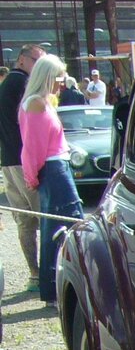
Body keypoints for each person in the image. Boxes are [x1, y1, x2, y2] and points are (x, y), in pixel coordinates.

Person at [19, 54, 83, 305]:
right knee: (65, 224)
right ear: (47, 77)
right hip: (54, 170)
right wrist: (31, 176)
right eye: (58, 78)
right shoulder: (35, 104)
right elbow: (32, 147)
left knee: (61, 226)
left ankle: (59, 288)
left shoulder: (41, 102)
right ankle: (56, 290)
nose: (61, 83)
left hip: (58, 167)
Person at [0, 43, 45, 287]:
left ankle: (34, 272)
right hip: (23, 161)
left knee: (24, 221)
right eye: (35, 60)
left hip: (8, 160)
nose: (38, 65)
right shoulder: (21, 84)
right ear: (22, 60)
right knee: (44, 216)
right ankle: (46, 274)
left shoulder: (7, 83)